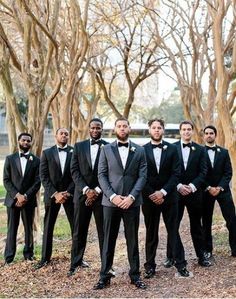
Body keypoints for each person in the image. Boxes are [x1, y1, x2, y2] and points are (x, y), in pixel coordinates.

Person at [93, 117, 147, 290]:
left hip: (132, 202)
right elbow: (101, 175)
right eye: (119, 126)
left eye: (125, 126)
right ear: (115, 128)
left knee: (132, 239)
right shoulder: (106, 149)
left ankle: (135, 275)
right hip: (110, 203)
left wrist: (131, 197)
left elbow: (142, 176)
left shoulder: (139, 150)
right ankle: (104, 276)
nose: (122, 128)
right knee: (108, 239)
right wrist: (112, 196)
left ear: (129, 128)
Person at [142, 119, 190, 278]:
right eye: (154, 128)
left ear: (163, 130)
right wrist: (153, 194)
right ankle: (150, 266)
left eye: (159, 128)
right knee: (151, 232)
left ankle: (181, 265)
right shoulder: (141, 150)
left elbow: (176, 174)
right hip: (149, 199)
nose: (156, 130)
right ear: (150, 130)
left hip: (169, 198)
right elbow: (141, 176)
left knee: (173, 231)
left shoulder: (172, 149)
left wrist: (162, 192)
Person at [164, 120, 211, 270]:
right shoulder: (171, 148)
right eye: (183, 129)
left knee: (196, 225)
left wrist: (191, 186)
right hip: (175, 193)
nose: (186, 132)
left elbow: (203, 172)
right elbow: (168, 171)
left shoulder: (200, 149)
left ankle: (201, 256)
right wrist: (178, 186)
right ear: (180, 131)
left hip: (194, 193)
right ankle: (170, 256)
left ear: (192, 131)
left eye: (189, 129)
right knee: (173, 225)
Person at [67, 118, 109, 276]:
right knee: (79, 230)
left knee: (103, 231)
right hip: (81, 195)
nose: (95, 130)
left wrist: (97, 190)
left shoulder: (109, 147)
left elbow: (109, 171)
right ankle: (75, 262)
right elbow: (74, 171)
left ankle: (106, 265)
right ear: (89, 129)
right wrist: (86, 190)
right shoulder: (78, 146)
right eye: (93, 127)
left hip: (101, 196)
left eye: (98, 127)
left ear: (102, 129)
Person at [35, 128, 74, 269]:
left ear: (69, 136)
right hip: (52, 196)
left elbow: (76, 174)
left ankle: (76, 260)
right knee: (48, 227)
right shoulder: (47, 153)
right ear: (56, 136)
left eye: (66, 133)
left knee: (75, 227)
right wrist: (55, 193)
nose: (64, 135)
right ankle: (45, 259)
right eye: (61, 133)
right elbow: (43, 176)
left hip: (70, 196)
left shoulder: (74, 152)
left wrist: (67, 192)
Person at [3, 133, 40, 264]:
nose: (26, 142)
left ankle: (28, 255)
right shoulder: (10, 159)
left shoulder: (36, 161)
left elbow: (37, 182)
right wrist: (17, 195)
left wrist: (25, 196)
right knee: (11, 228)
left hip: (28, 201)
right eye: (23, 140)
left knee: (28, 228)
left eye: (28, 141)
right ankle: (9, 258)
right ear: (19, 141)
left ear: (31, 143)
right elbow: (6, 180)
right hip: (12, 200)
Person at [202, 125, 236, 257]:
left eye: (211, 133)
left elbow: (228, 172)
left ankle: (234, 248)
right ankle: (207, 250)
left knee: (232, 219)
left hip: (223, 191)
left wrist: (220, 187)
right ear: (204, 136)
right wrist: (209, 187)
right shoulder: (199, 152)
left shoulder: (224, 152)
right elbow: (200, 173)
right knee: (206, 221)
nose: (209, 135)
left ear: (215, 135)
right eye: (207, 133)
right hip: (206, 191)